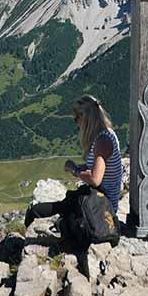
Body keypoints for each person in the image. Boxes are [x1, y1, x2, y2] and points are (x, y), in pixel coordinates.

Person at [25, 94, 123, 229]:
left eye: (77, 117)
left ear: (87, 118)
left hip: (101, 204)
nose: (76, 121)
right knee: (67, 205)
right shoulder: (107, 134)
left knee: (59, 207)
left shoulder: (102, 141)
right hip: (99, 198)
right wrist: (81, 168)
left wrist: (74, 169)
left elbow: (95, 179)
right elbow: (100, 168)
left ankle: (32, 219)